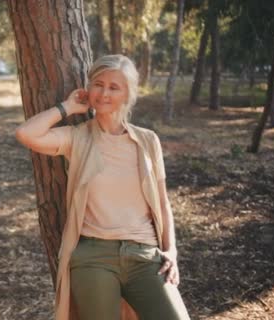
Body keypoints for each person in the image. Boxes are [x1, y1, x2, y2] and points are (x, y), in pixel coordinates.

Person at [15, 55, 190, 320]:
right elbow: (26, 134)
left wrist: (171, 251)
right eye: (98, 84)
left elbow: (163, 203)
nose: (104, 93)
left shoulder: (147, 141)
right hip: (94, 257)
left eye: (114, 87)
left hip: (145, 254)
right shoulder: (77, 137)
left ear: (128, 94)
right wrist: (68, 107)